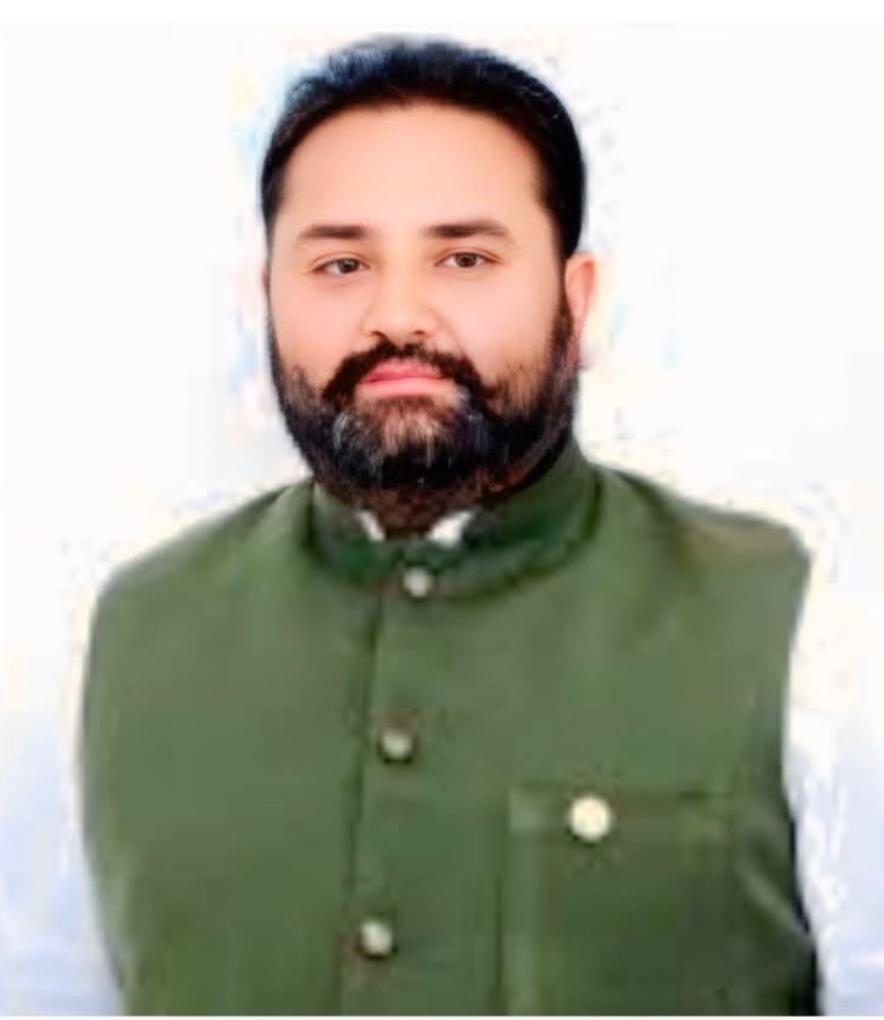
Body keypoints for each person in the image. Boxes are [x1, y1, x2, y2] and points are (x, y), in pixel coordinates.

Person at [78, 35, 840, 1014]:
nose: (398, 316)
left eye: (464, 258)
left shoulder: (794, 617)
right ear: (268, 297)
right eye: (341, 263)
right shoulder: (136, 627)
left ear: (574, 300)